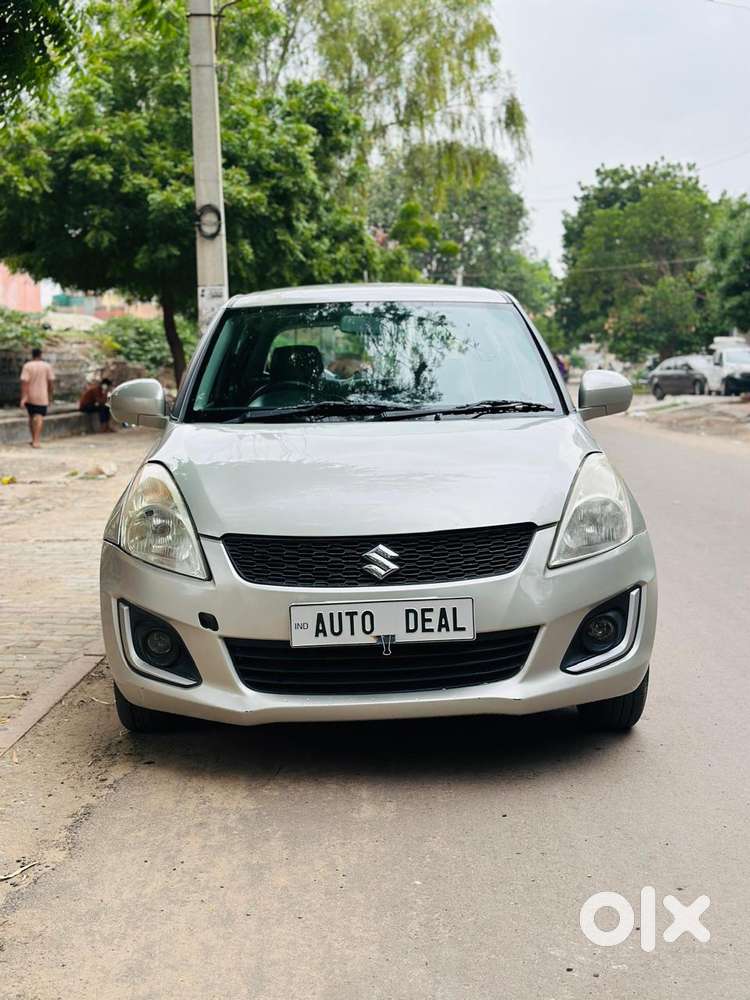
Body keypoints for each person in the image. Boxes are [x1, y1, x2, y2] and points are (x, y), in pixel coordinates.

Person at [19, 347, 55, 448]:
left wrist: (24, 397)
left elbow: (24, 382)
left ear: (32, 355)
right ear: (40, 354)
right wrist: (50, 395)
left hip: (30, 395)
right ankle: (36, 440)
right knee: (39, 417)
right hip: (42, 396)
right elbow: (51, 382)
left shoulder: (27, 366)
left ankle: (33, 438)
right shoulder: (47, 366)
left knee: (31, 417)